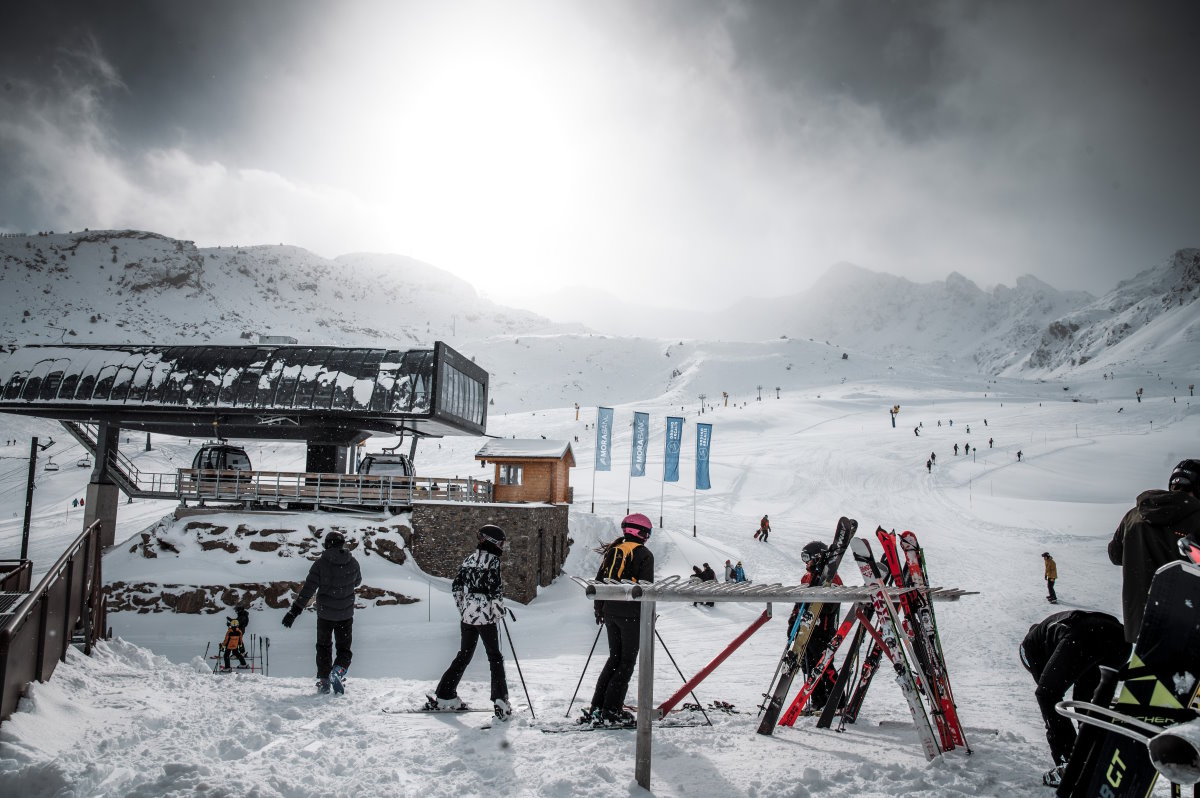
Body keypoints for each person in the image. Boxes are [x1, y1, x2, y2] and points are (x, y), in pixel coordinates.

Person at [1019, 610, 1129, 786]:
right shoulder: (1049, 631)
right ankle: (1095, 757)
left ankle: (1069, 765)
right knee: (1086, 702)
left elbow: (1047, 689)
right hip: (1119, 637)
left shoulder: (1029, 646)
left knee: (1046, 695)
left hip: (1084, 636)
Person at [1107, 459, 1200, 643]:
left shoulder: (1134, 515)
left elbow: (1115, 555)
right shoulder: (1197, 516)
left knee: (1144, 671)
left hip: (1140, 627)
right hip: (1185, 627)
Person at [427, 524, 512, 719]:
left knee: (464, 655)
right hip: (486, 617)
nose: (501, 547)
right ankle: (500, 700)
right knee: (495, 657)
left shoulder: (469, 559)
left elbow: (456, 588)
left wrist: (464, 609)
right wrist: (498, 612)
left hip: (468, 616)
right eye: (500, 543)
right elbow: (495, 591)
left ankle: (444, 694)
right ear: (491, 542)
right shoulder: (493, 563)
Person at [587, 513, 655, 727]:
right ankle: (612, 710)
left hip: (610, 612)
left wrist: (600, 609)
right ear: (642, 532)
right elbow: (646, 589)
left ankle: (598, 707)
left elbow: (600, 583)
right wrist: (648, 616)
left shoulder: (613, 550)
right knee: (626, 662)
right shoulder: (644, 554)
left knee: (614, 659)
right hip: (632, 616)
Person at [282, 531, 362, 694]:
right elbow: (358, 581)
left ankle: (324, 680)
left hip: (325, 615)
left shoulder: (320, 564)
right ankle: (338, 670)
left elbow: (308, 590)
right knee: (344, 648)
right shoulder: (353, 562)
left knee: (324, 646)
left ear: (328, 544)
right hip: (346, 615)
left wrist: (294, 612)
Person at [788, 540, 842, 713]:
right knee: (808, 665)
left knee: (824, 666)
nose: (806, 563)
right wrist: (792, 624)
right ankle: (818, 700)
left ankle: (838, 701)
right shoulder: (806, 577)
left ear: (818, 558)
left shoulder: (832, 577)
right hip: (807, 628)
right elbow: (799, 603)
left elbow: (831, 605)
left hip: (824, 629)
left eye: (808, 558)